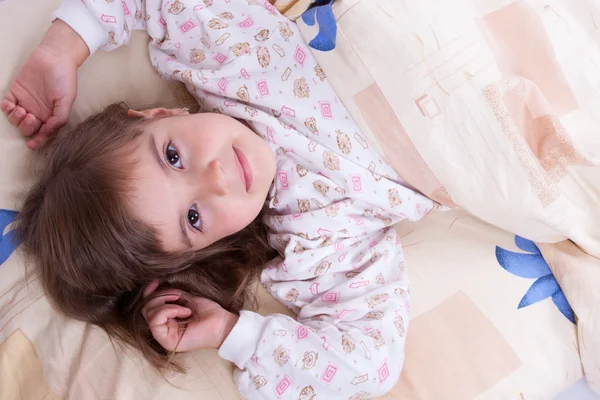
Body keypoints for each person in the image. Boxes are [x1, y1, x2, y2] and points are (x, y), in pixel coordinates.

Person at [2, 0, 436, 398]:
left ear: (159, 114)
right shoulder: (320, 239)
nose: (216, 177)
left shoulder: (225, 54)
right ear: (205, 248)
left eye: (173, 156)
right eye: (193, 217)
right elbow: (367, 364)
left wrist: (62, 47)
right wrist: (231, 333)